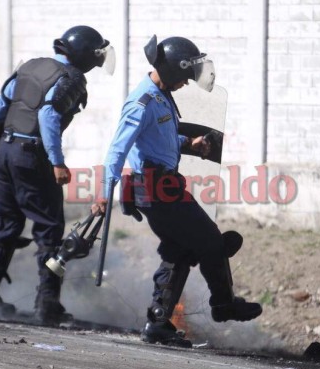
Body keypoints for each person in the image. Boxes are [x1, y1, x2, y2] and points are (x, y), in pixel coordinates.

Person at [92, 35, 262, 347]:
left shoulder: (161, 97)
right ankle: (224, 305)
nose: (185, 84)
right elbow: (117, 151)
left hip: (165, 184)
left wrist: (191, 144)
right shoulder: (140, 102)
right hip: (154, 188)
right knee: (210, 239)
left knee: (180, 251)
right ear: (170, 70)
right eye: (183, 77)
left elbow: (160, 141)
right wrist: (104, 193)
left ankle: (158, 321)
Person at [0, 25, 115, 325]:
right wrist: (57, 162)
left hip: (5, 154)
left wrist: (7, 146)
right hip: (32, 156)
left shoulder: (31, 66)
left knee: (7, 225)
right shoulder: (71, 78)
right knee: (50, 230)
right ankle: (47, 303)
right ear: (86, 56)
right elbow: (48, 115)